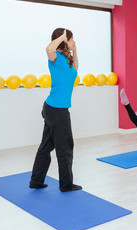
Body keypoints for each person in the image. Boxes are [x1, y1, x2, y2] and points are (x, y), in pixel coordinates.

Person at [29, 28, 82, 192]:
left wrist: (75, 50)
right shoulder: (54, 58)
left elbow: (76, 70)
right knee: (65, 147)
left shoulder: (66, 59)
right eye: (72, 39)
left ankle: (36, 181)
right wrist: (64, 37)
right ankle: (66, 185)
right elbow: (48, 49)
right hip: (57, 110)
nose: (74, 42)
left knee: (46, 146)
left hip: (53, 108)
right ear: (64, 40)